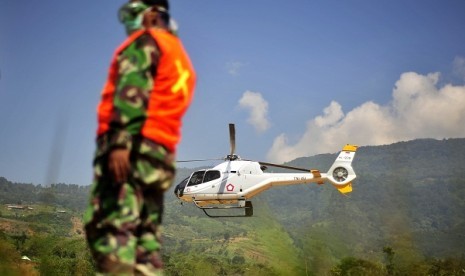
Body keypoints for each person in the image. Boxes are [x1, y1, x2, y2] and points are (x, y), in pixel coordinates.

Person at [84, 0, 196, 274]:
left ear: (154, 14)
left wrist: (121, 141)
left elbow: (133, 90)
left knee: (112, 230)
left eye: (135, 13)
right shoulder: (180, 57)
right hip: (159, 156)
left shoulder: (147, 43)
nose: (131, 22)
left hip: (133, 149)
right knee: (146, 242)